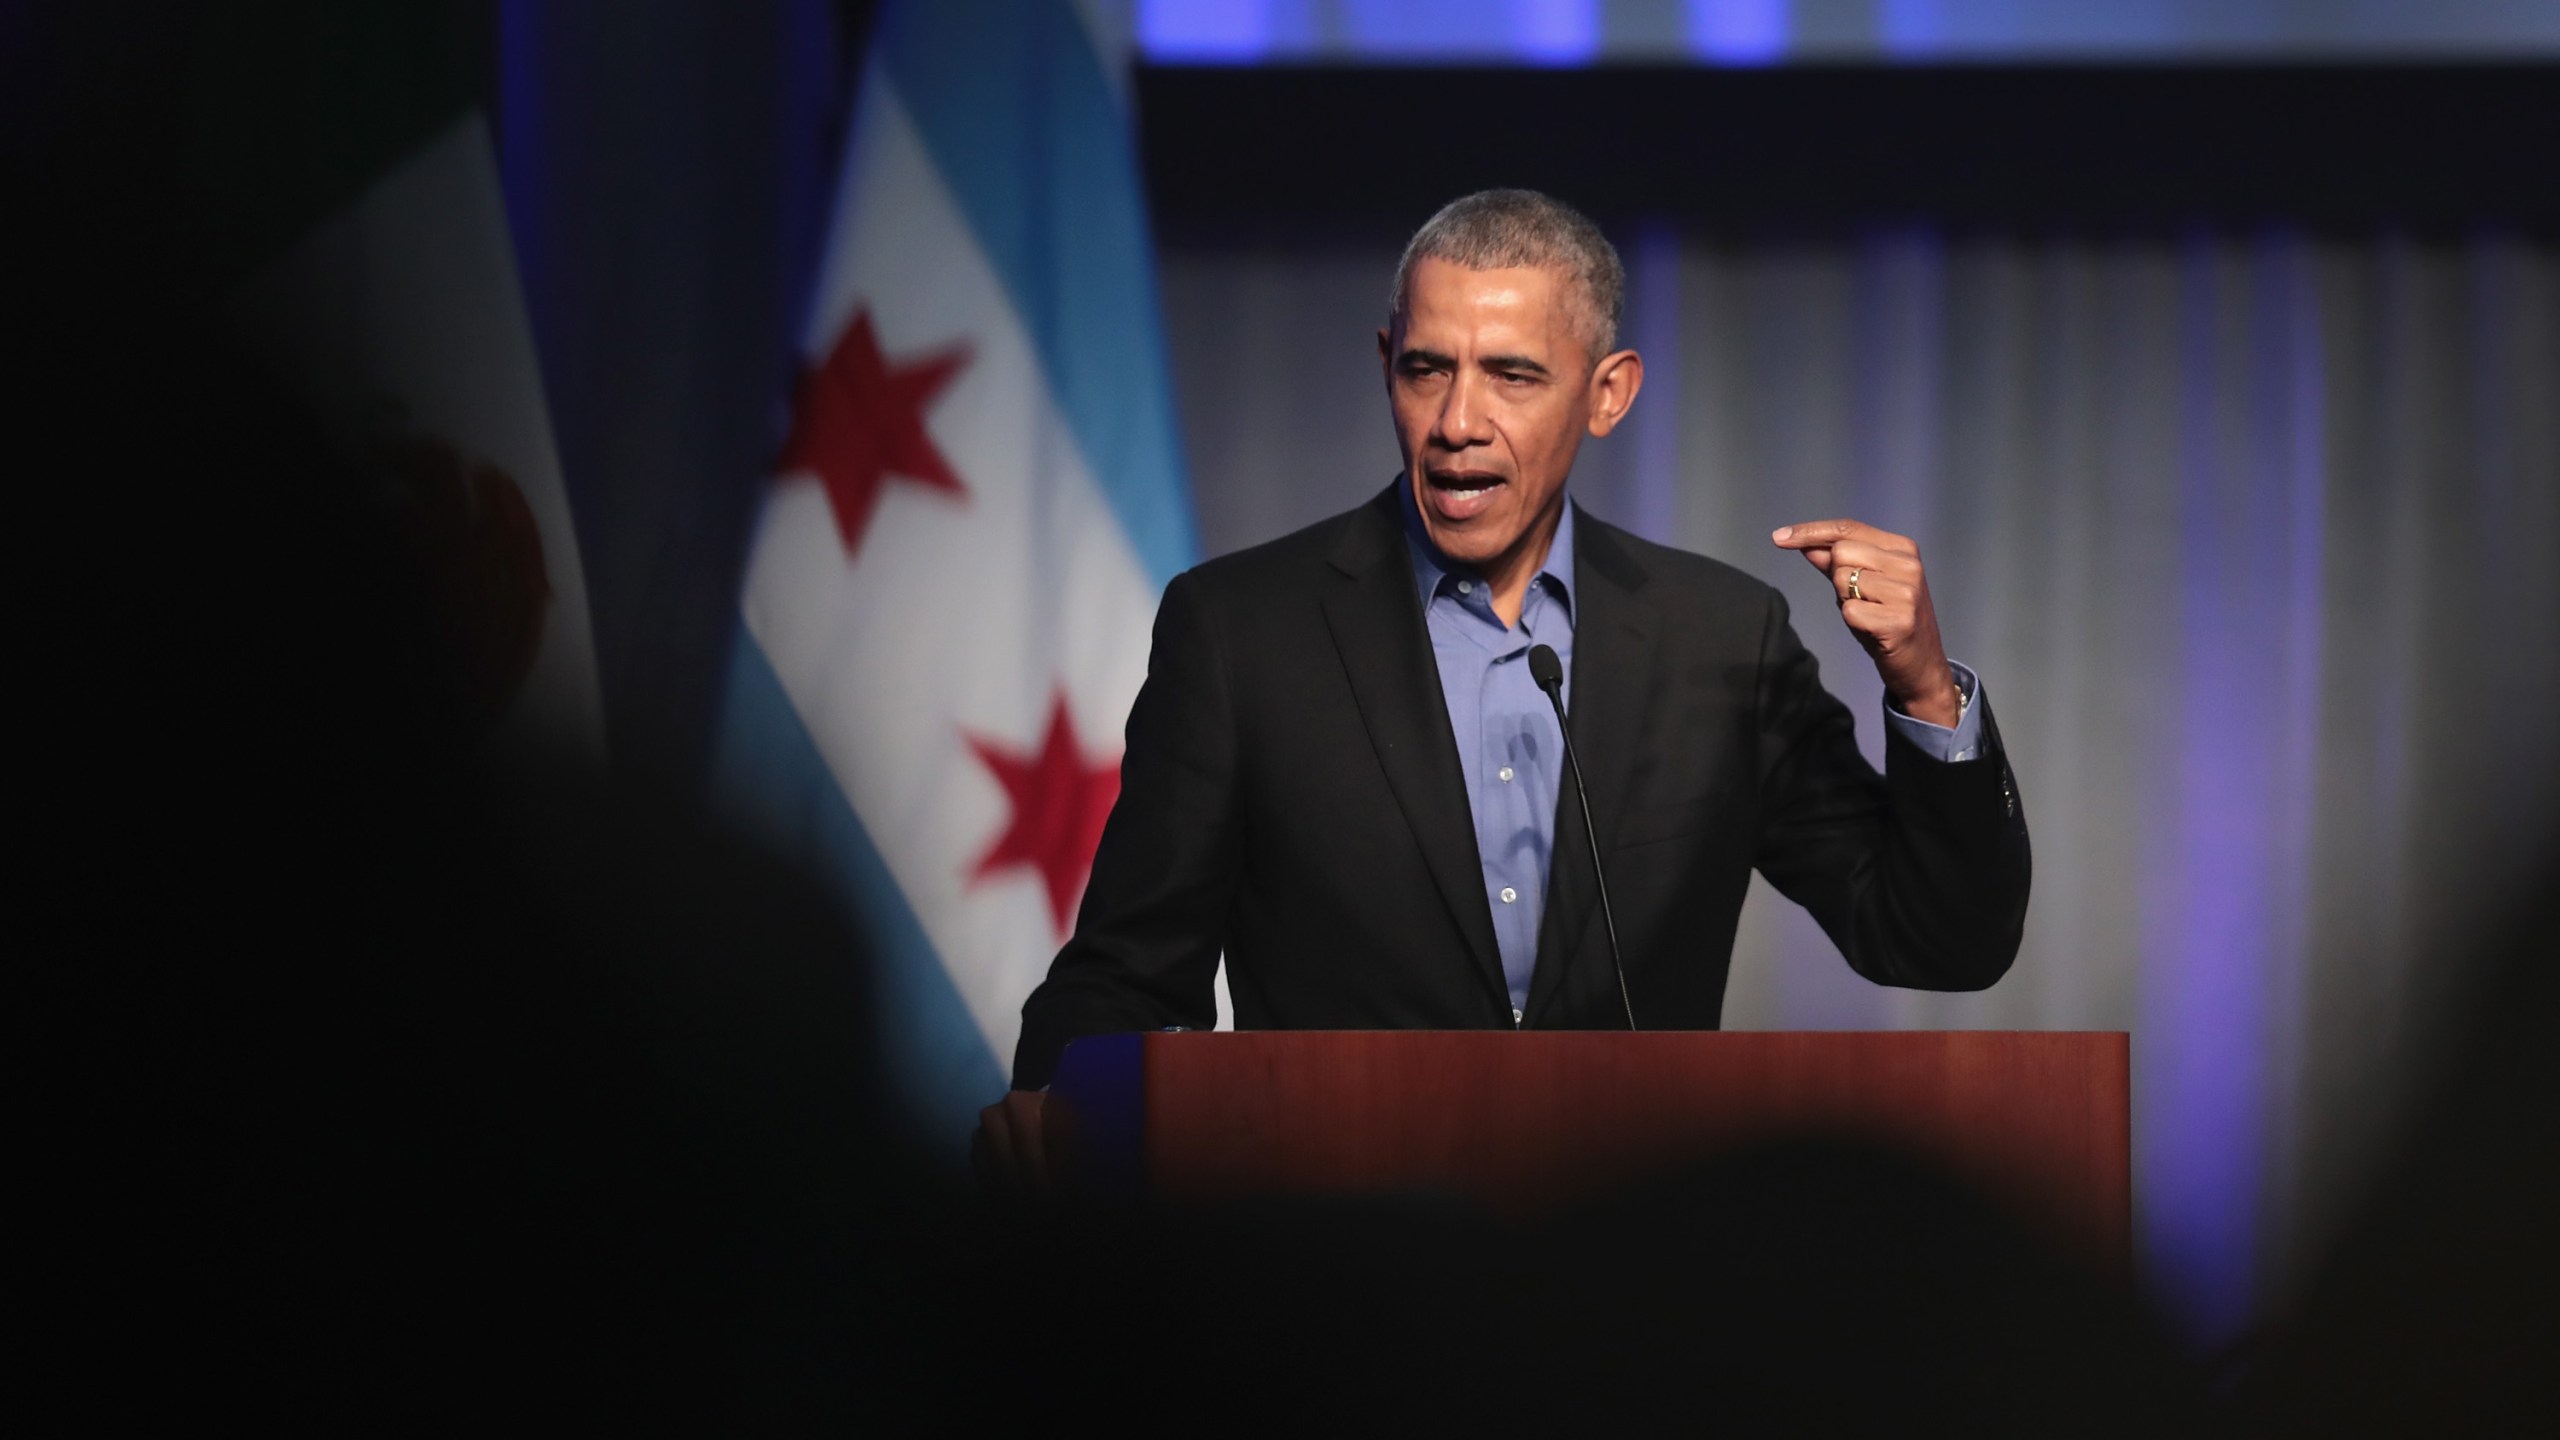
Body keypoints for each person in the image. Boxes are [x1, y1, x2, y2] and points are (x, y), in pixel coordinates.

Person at [979, 189, 2030, 1184]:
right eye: (1426, 369)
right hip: (1335, 1264)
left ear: (1606, 393)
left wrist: (1923, 685)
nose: (1456, 422)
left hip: (1618, 1280)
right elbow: (1126, 969)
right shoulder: (1241, 631)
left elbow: (1935, 938)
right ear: (1385, 362)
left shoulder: (1720, 639)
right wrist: (1056, 1102)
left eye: (1513, 376)